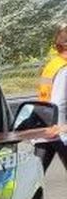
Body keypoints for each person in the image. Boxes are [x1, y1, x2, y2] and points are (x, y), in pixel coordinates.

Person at [37, 25, 67, 173]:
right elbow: (59, 102)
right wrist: (62, 131)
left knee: (35, 176)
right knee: (35, 175)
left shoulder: (54, 64)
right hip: (57, 130)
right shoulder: (64, 68)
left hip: (46, 125)